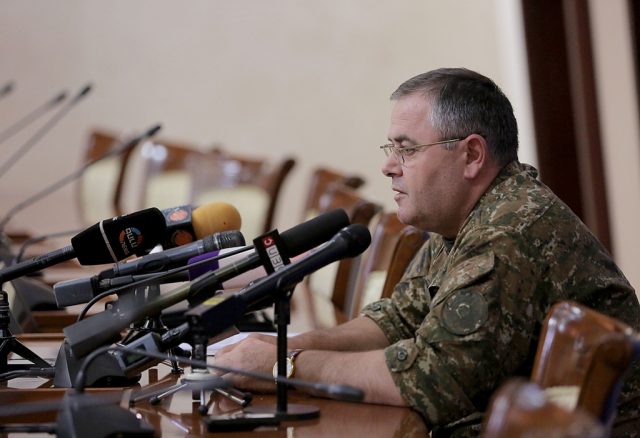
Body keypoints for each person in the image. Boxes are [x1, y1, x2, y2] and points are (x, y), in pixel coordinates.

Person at [214, 68, 640, 436]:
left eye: (407, 149)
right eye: (392, 149)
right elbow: (399, 319)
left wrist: (285, 366)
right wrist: (285, 348)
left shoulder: (508, 232)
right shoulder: (464, 218)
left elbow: (430, 381)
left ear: (471, 155)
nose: (388, 166)